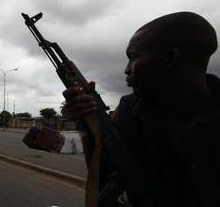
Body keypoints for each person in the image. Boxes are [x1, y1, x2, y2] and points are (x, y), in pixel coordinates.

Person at [63, 12, 219, 207]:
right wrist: (88, 125)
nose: (126, 69)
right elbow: (104, 173)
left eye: (134, 57)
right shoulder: (129, 110)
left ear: (170, 58)